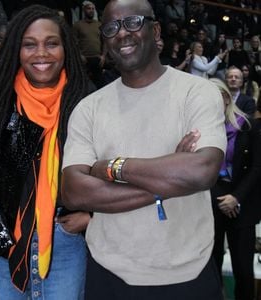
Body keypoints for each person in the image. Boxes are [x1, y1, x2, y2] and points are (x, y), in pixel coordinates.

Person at [61, 0, 227, 299]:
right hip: (108, 274)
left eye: (133, 22)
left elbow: (202, 170)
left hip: (189, 271)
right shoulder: (89, 109)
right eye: (111, 27)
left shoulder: (197, 92)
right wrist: (167, 180)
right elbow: (74, 192)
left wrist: (109, 167)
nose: (122, 33)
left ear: (157, 30)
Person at [0, 5, 90, 300]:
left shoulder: (87, 103)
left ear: (66, 48)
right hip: (0, 249)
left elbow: (107, 169)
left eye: (52, 43)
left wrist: (93, 216)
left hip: (66, 244)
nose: (41, 54)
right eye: (29, 45)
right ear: (15, 51)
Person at [209, 78, 261, 300]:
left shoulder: (249, 125)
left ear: (226, 98)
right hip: (212, 202)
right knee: (211, 266)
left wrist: (236, 198)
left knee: (243, 270)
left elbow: (258, 167)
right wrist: (221, 198)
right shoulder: (200, 131)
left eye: (214, 98)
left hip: (243, 204)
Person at [73, 1, 106, 88]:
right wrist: (79, 55)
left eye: (92, 9)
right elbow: (74, 42)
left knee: (99, 86)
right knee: (84, 86)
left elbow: (105, 41)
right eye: (88, 8)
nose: (91, 10)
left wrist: (103, 56)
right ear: (84, 10)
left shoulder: (99, 24)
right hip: (84, 60)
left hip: (97, 59)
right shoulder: (78, 25)